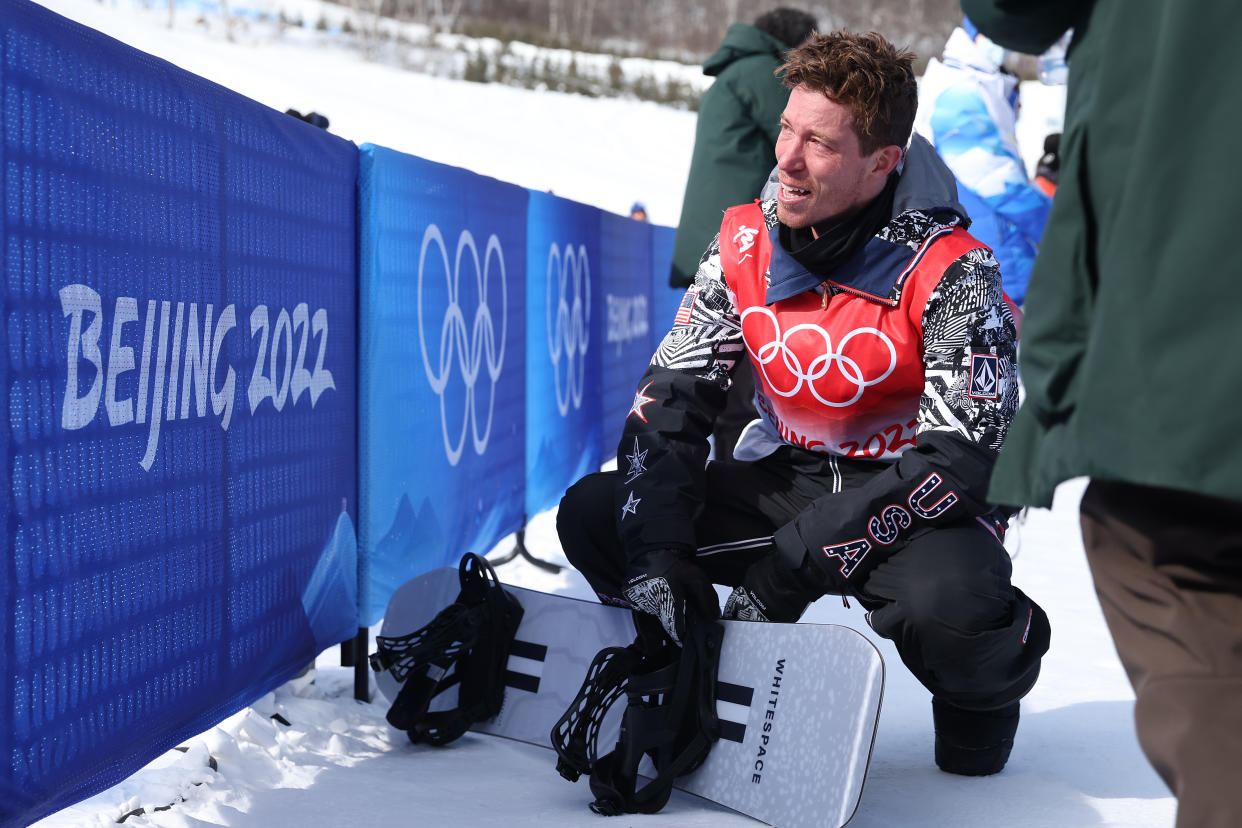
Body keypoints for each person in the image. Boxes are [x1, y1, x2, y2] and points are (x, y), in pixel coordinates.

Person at [559, 30, 1050, 778]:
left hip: (917, 504)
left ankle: (981, 697)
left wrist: (795, 564)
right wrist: (659, 553)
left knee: (955, 615)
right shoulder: (743, 241)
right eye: (786, 128)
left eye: (818, 143)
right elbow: (671, 399)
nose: (786, 157)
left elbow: (959, 458)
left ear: (883, 163)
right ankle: (684, 654)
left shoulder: (958, 273)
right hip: (786, 477)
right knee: (602, 515)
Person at [961, 2, 1242, 824]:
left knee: (1165, 552)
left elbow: (1013, 11)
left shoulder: (935, 255)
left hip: (1188, 312)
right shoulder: (748, 247)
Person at [669, 7, 818, 462]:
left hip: (710, 233)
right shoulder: (763, 72)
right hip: (737, 244)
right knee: (738, 383)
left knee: (709, 370)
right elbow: (806, 136)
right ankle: (736, 483)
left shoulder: (737, 70)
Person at [914, 18, 1052, 306]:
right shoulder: (961, 94)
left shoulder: (979, 81)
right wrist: (1057, 227)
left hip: (992, 244)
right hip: (992, 248)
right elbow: (998, 183)